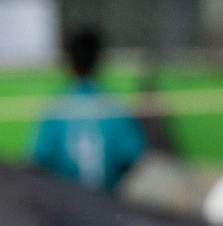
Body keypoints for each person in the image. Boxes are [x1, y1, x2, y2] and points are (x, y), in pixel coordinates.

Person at [30, 27, 146, 191]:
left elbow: (40, 161)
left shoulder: (55, 111)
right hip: (108, 207)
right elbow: (133, 158)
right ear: (99, 60)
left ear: (68, 61)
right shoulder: (115, 109)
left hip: (65, 208)